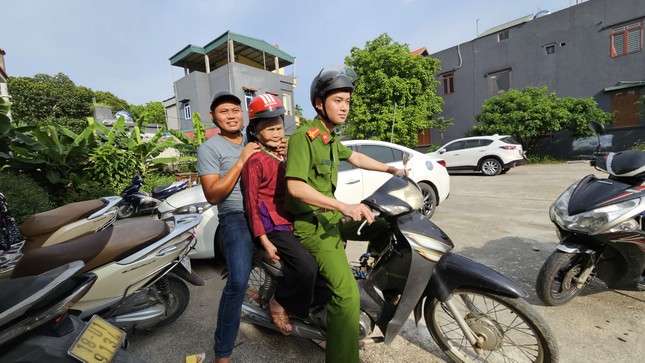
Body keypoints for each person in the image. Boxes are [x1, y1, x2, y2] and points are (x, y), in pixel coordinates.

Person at [284, 67, 406, 363]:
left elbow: (356, 157)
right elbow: (295, 186)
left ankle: (376, 284)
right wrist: (343, 206)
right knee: (346, 297)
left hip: (330, 221)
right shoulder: (305, 137)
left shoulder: (328, 139)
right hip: (313, 227)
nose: (344, 107)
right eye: (338, 100)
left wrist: (391, 169)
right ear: (319, 103)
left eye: (347, 102)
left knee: (383, 224)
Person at [240, 93, 318, 336]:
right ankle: (278, 301)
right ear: (255, 132)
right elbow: (251, 203)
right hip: (271, 224)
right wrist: (263, 239)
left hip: (291, 218)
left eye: (279, 127)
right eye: (270, 128)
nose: (276, 133)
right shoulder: (254, 161)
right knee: (307, 267)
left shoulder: (283, 154)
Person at [196, 90, 261, 363]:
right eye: (224, 111)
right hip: (235, 216)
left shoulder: (254, 139)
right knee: (237, 281)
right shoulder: (209, 148)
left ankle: (278, 304)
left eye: (235, 110)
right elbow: (213, 195)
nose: (231, 115)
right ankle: (222, 352)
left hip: (264, 212)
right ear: (214, 117)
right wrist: (242, 159)